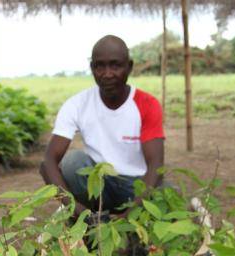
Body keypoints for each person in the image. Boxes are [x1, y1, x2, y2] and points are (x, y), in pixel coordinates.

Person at [39, 35, 165, 219]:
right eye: (100, 66)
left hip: (136, 186)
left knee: (168, 196)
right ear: (92, 68)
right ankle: (93, 219)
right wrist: (75, 209)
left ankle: (126, 221)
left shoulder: (146, 104)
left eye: (115, 65)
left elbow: (156, 165)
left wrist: (130, 216)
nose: (107, 73)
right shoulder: (77, 104)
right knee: (73, 163)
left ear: (129, 67)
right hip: (98, 187)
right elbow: (48, 162)